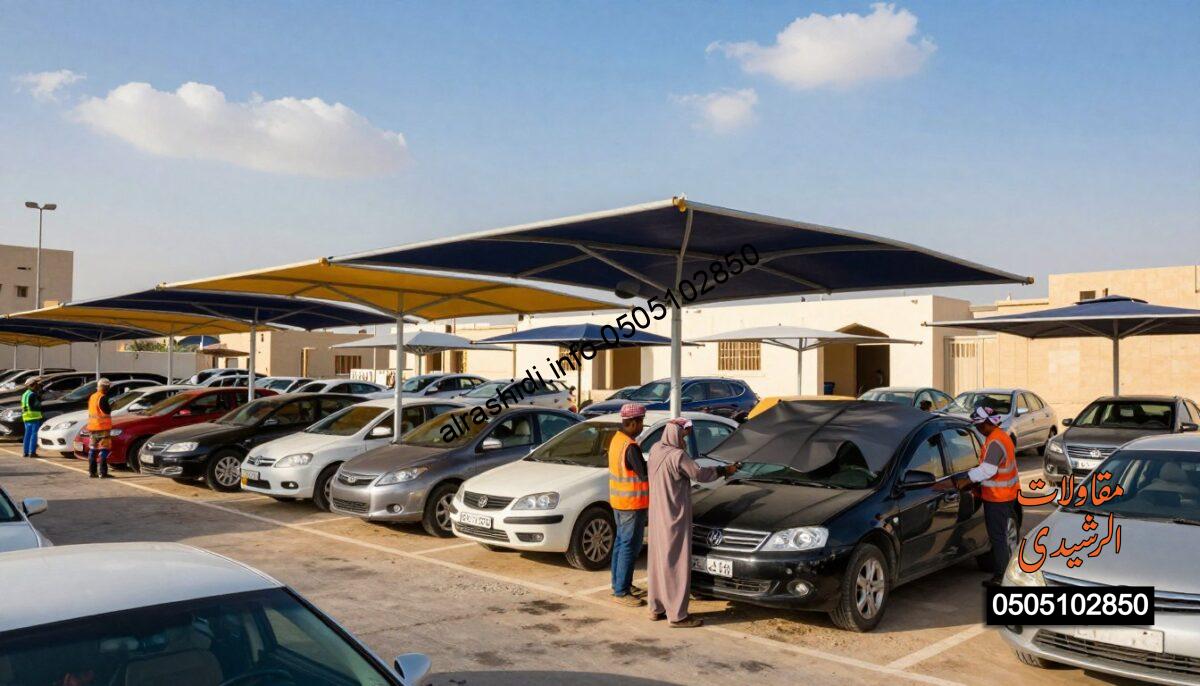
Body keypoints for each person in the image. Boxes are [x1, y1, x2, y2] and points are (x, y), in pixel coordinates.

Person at [646, 419, 739, 627]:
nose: (685, 440)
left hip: (657, 515)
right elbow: (699, 474)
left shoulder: (655, 449)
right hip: (674, 517)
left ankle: (656, 608)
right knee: (676, 563)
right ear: (675, 434)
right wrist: (725, 470)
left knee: (658, 561)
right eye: (684, 436)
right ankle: (677, 615)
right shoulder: (677, 455)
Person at [966, 405, 1020, 586]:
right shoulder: (1001, 437)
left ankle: (1001, 577)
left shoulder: (996, 442)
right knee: (1000, 536)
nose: (978, 428)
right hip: (1005, 495)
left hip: (998, 498)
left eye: (979, 425)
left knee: (998, 538)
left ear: (987, 423)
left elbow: (987, 470)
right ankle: (1002, 574)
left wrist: (966, 479)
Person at [609, 403, 649, 606]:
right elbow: (643, 473)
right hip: (632, 504)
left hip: (619, 502)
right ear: (633, 422)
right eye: (641, 422)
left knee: (620, 544)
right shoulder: (630, 446)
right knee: (629, 546)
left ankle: (619, 584)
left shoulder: (617, 439)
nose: (641, 427)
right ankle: (622, 591)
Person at [87, 378, 115, 479]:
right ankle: (103, 473)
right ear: (106, 387)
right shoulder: (103, 398)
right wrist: (112, 406)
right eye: (108, 387)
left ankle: (92, 472)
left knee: (93, 449)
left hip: (92, 428)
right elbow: (106, 411)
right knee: (104, 449)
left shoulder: (92, 397)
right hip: (103, 428)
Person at [20, 379, 43, 458]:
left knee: (27, 435)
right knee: (34, 435)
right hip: (34, 417)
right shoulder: (33, 395)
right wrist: (40, 396)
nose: (37, 386)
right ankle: (32, 452)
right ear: (32, 385)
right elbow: (37, 405)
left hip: (26, 417)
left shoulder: (25, 394)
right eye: (36, 385)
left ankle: (25, 452)